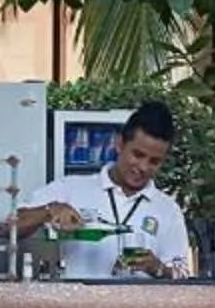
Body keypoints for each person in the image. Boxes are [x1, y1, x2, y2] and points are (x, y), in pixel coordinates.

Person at [18, 101, 192, 279]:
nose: (143, 167)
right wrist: (50, 210)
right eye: (138, 155)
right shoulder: (71, 188)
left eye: (154, 161)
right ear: (119, 144)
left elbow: (184, 275)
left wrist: (158, 268)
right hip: (77, 297)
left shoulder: (168, 210)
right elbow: (11, 227)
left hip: (140, 298)